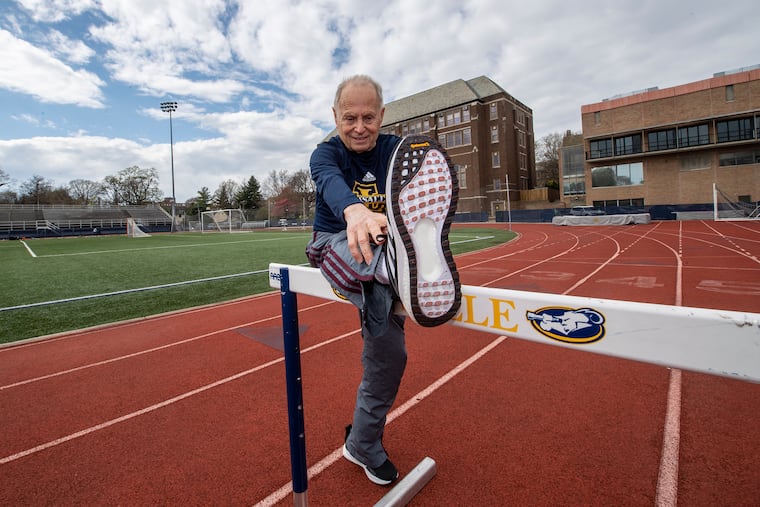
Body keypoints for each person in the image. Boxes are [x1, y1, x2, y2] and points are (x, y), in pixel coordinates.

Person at [306, 74, 460, 486]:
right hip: (335, 242)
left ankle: (362, 442)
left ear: (382, 116)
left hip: (388, 250)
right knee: (364, 257)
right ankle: (406, 267)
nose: (359, 126)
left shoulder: (399, 153)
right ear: (335, 116)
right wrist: (355, 212)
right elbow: (331, 184)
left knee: (391, 360)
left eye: (368, 117)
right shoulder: (324, 155)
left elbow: (428, 178)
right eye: (350, 117)